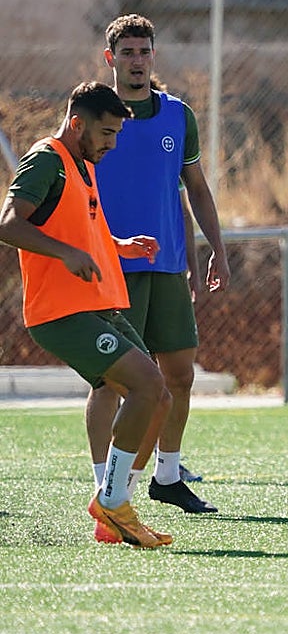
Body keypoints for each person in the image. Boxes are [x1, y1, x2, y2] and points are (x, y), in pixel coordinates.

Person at [0, 81, 173, 547]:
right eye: (107, 133)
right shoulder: (47, 159)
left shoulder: (83, 164)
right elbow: (8, 223)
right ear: (77, 124)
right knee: (146, 384)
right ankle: (112, 502)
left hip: (98, 305)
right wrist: (64, 254)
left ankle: (114, 503)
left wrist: (118, 245)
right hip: (61, 312)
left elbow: (78, 227)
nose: (112, 144)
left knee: (158, 398)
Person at [85, 14, 231, 514]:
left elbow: (194, 190)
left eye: (144, 51)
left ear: (154, 56)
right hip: (111, 268)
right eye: (127, 52)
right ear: (111, 59)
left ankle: (167, 476)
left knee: (180, 376)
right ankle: (105, 487)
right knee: (110, 381)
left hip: (167, 266)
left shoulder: (178, 116)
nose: (137, 61)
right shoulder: (92, 117)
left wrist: (213, 250)